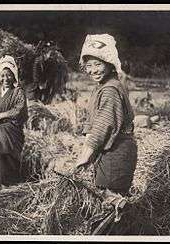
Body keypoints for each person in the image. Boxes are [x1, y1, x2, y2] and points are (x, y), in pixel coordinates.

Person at [74, 34, 137, 196]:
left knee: (111, 198)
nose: (93, 70)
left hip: (116, 152)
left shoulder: (110, 90)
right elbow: (93, 122)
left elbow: (103, 125)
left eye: (98, 64)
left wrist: (85, 155)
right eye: (89, 65)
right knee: (108, 197)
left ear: (109, 64)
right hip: (108, 151)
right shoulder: (102, 86)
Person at [0, 55, 28, 187]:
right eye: (3, 75)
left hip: (11, 131)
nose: (5, 79)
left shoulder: (18, 92)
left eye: (9, 75)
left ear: (14, 76)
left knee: (8, 155)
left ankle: (9, 183)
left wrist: (2, 115)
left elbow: (19, 110)